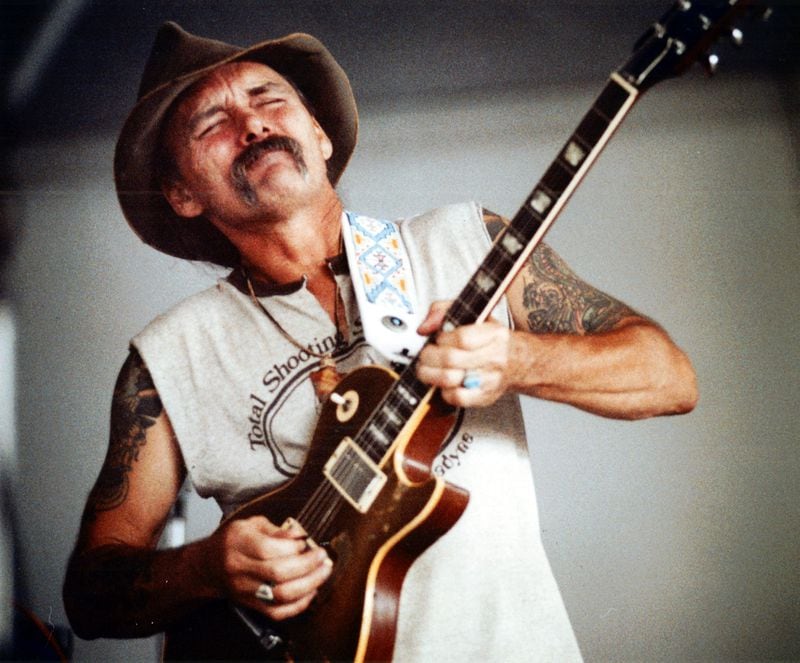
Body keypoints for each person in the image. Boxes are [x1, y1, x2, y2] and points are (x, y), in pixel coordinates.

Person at [62, 22, 697, 662]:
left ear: (320, 133)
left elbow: (668, 377)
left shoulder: (470, 243)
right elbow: (89, 594)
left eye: (268, 97)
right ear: (181, 194)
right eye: (211, 123)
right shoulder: (172, 356)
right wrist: (206, 567)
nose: (252, 125)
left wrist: (519, 358)